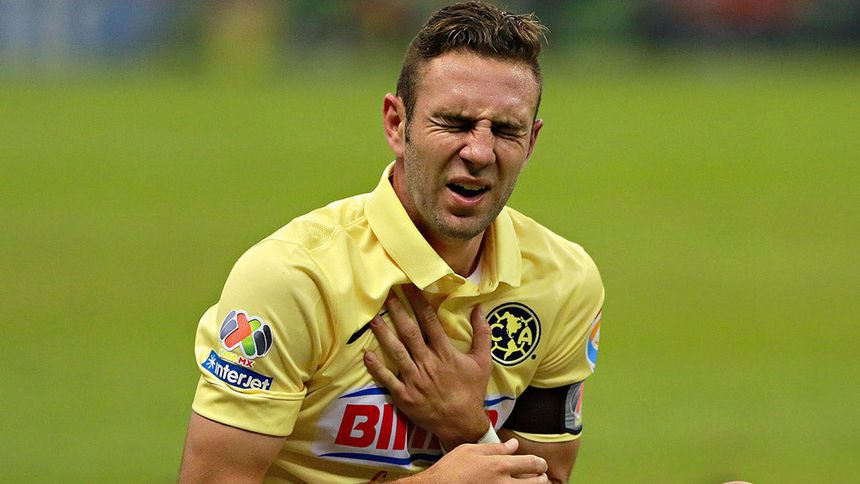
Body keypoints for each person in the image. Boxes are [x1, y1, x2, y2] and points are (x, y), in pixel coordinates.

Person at [179, 2, 604, 483]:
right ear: (396, 125)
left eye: (507, 130)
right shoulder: (293, 278)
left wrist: (468, 428)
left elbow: (547, 477)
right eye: (455, 123)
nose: (480, 152)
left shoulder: (563, 280)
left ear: (531, 144)